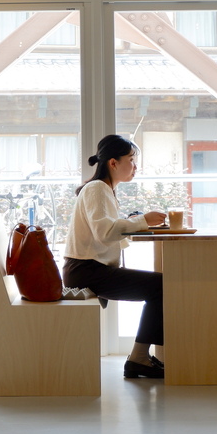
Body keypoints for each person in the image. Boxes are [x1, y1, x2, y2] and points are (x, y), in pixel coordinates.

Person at [62, 134, 168, 379]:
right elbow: (104, 232)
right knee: (162, 286)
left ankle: (141, 357)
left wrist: (136, 222)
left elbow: (107, 231)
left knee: (160, 286)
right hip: (87, 270)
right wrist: (141, 221)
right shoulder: (97, 188)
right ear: (113, 163)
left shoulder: (103, 189)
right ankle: (139, 358)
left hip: (89, 267)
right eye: (131, 159)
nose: (135, 166)